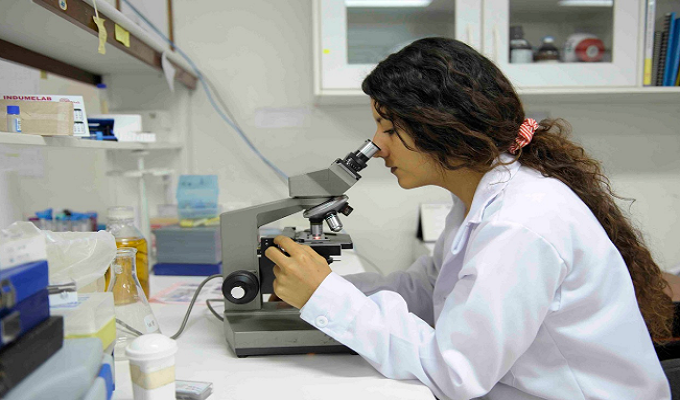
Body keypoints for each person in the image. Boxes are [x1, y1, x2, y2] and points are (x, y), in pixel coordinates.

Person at [264, 37, 673, 399]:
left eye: (388, 128)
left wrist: (327, 298)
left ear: (439, 126)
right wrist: (324, 288)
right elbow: (428, 289)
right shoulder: (482, 198)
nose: (377, 146)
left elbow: (455, 372)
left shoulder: (519, 224)